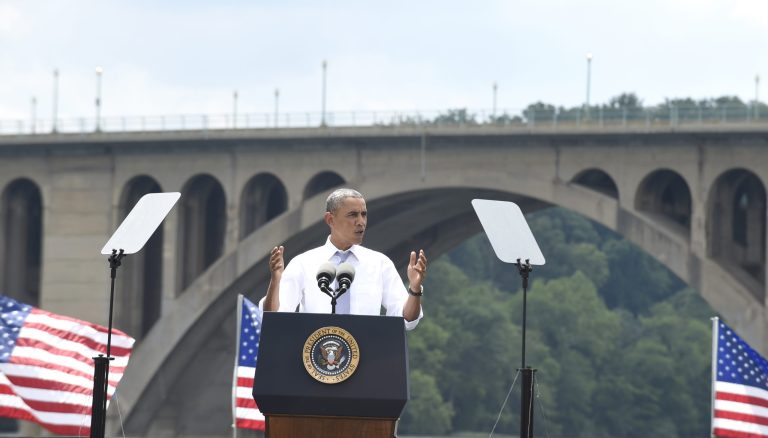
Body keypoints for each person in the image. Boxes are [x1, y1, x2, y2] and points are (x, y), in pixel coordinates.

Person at [261, 188, 426, 330]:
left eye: (363, 214)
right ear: (330, 219)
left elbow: (407, 320)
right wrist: (275, 281)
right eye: (353, 215)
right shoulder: (303, 263)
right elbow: (274, 317)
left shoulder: (380, 263)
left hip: (367, 359)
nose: (361, 222)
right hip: (316, 359)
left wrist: (415, 289)